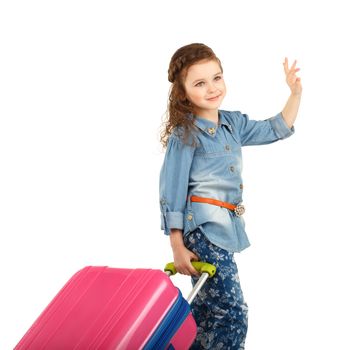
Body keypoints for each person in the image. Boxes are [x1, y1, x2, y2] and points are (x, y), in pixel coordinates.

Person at [159, 43, 302, 349]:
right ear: (183, 92)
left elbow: (274, 129)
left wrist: (295, 94)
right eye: (199, 83)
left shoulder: (233, 124)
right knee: (232, 313)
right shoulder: (185, 134)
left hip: (227, 229)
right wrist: (176, 245)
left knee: (206, 312)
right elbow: (171, 191)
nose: (212, 88)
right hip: (203, 232)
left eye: (217, 78)